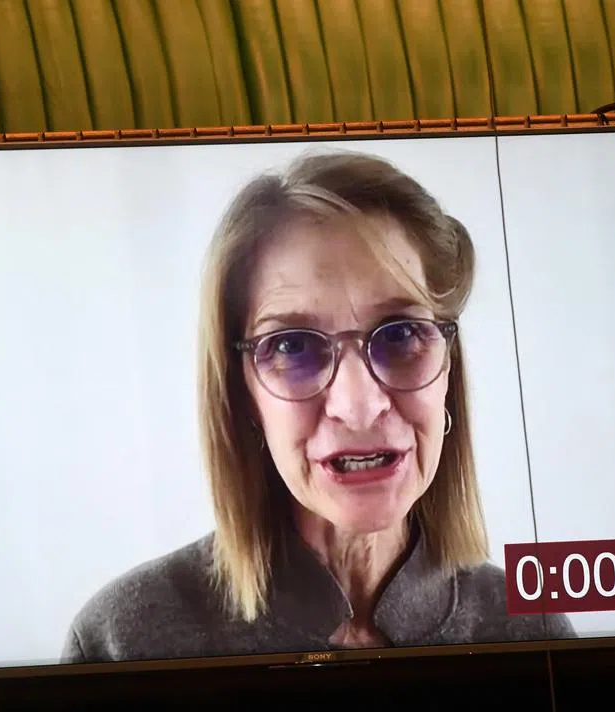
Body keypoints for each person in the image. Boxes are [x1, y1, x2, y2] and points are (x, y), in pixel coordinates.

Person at [62, 150, 573, 663]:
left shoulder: (531, 627)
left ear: (448, 372)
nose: (359, 407)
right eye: (291, 346)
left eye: (400, 335)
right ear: (243, 396)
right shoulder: (122, 642)